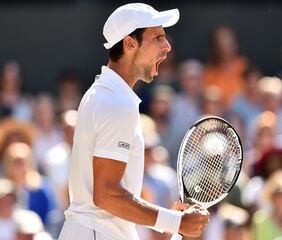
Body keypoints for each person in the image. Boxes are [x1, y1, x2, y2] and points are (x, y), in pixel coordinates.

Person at [58, 3, 209, 240]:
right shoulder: (117, 102)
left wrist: (167, 219)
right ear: (130, 44)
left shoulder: (103, 93)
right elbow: (106, 194)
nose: (167, 46)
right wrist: (175, 222)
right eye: (158, 38)